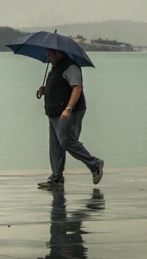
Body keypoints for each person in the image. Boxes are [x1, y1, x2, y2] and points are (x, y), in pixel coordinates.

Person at [36, 48, 104, 188]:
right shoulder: (54, 68)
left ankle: (95, 164)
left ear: (59, 53)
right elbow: (59, 86)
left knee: (66, 141)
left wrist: (68, 109)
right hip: (54, 112)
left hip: (68, 112)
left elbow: (77, 88)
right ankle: (56, 177)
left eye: (50, 55)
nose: (48, 57)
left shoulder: (71, 67)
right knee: (55, 146)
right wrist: (45, 90)